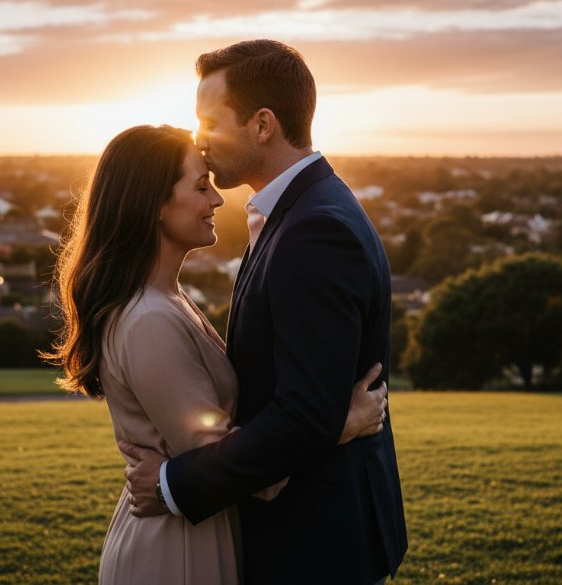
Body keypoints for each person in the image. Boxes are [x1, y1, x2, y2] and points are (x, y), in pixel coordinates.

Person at [45, 124, 389, 584]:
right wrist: (338, 426)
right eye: (201, 186)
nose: (218, 200)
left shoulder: (168, 299)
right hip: (175, 554)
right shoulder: (149, 319)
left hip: (197, 528)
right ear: (155, 206)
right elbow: (228, 459)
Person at [119, 40, 408, 585]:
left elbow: (303, 415)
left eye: (210, 120)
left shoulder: (314, 229)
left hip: (316, 541)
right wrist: (337, 423)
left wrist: (172, 484)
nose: (199, 140)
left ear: (262, 125)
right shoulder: (299, 211)